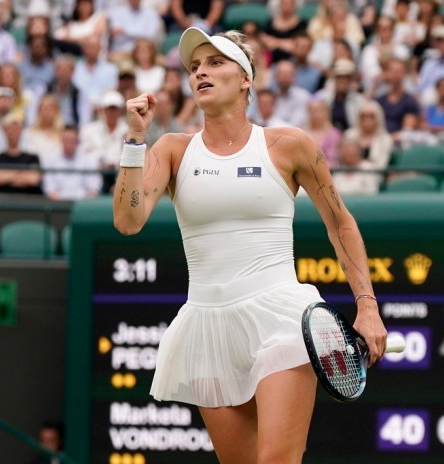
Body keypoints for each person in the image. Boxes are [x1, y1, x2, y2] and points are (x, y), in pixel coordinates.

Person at [112, 27, 388, 463]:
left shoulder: (289, 145)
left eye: (215, 62)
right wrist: (134, 139)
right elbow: (127, 221)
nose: (201, 71)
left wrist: (367, 306)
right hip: (207, 326)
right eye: (195, 66)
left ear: (245, 79)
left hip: (281, 320)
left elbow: (340, 224)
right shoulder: (171, 149)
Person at [0, 112, 42, 195]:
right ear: (4, 131)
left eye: (17, 129)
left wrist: (4, 175)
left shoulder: (32, 158)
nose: (13, 133)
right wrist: (21, 173)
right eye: (10, 129)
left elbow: (33, 179)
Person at [42, 125, 102, 200]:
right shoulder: (50, 160)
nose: (68, 144)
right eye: (66, 140)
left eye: (72, 140)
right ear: (61, 140)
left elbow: (93, 190)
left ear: (77, 141)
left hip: (82, 205)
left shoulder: (89, 160)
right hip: (58, 206)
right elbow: (50, 190)